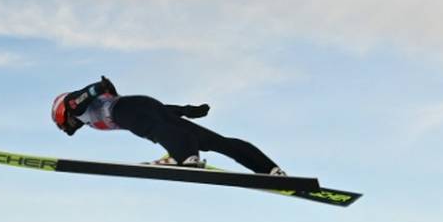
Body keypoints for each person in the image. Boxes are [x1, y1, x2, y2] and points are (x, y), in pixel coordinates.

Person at [50, 76, 286, 175]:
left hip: (126, 110)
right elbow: (157, 112)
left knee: (152, 129)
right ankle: (270, 170)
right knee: (215, 142)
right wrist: (184, 111)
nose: (71, 126)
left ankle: (183, 157)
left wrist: (98, 88)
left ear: (62, 113)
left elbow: (83, 96)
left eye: (65, 124)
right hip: (143, 105)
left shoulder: (74, 106)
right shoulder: (85, 114)